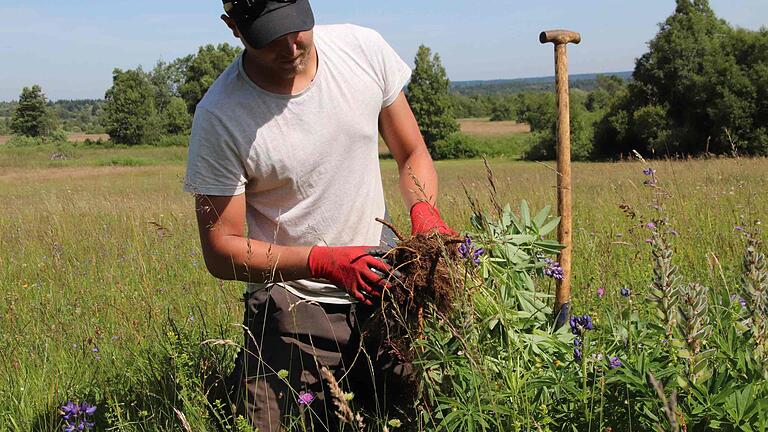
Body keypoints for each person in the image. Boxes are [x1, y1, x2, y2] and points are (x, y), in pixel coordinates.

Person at [184, 0, 456, 429]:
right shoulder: (220, 117)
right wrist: (322, 261)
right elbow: (221, 249)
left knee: (427, 413)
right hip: (293, 299)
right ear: (233, 27)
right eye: (269, 36)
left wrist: (423, 208)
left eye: (295, 28)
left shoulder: (363, 50)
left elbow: (411, 152)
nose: (290, 46)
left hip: (382, 289)